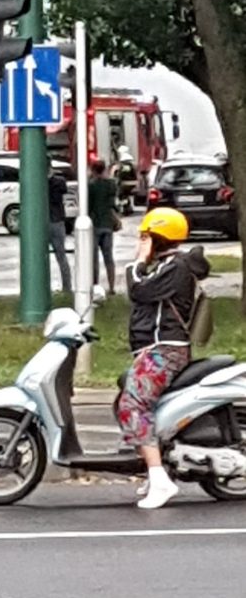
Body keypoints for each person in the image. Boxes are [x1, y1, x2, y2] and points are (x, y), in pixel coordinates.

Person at [117, 208, 210, 509]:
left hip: (164, 350)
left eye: (146, 237)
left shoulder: (175, 268)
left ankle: (160, 479)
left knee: (134, 405)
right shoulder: (169, 266)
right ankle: (154, 469)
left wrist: (138, 261)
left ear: (159, 238)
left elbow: (139, 291)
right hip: (154, 349)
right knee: (127, 401)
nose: (141, 242)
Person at [88, 159, 118, 294]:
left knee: (94, 259)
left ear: (93, 170)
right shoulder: (111, 184)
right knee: (109, 258)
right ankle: (111, 287)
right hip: (107, 224)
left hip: (95, 225)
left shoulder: (90, 186)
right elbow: (113, 205)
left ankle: (95, 286)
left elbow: (88, 206)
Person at [47, 158, 72, 293]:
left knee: (42, 257)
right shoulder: (59, 181)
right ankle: (67, 287)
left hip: (47, 221)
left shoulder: (40, 182)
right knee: (61, 256)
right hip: (58, 220)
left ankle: (46, 287)